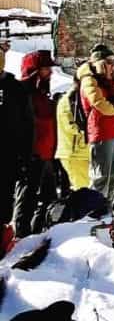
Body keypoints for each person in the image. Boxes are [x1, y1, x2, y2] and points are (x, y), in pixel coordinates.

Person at [78, 45, 114, 202]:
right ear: (100, 63)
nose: (113, 66)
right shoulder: (90, 80)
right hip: (101, 132)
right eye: (110, 62)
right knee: (101, 176)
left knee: (113, 175)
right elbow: (101, 105)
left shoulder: (113, 83)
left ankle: (107, 208)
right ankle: (94, 210)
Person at [12, 51, 58, 238]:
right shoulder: (21, 93)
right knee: (27, 197)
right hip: (31, 154)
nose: (51, 73)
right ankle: (21, 235)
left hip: (46, 154)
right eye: (46, 69)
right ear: (35, 71)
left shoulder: (43, 93)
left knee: (49, 198)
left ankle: (37, 233)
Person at [0, 36, 33, 241]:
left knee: (4, 202)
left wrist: (25, 157)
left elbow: (27, 126)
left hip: (8, 156)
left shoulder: (15, 89)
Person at [55, 76, 90, 191]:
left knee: (87, 190)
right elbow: (72, 126)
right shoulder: (69, 101)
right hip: (74, 153)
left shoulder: (77, 99)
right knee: (84, 190)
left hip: (81, 153)